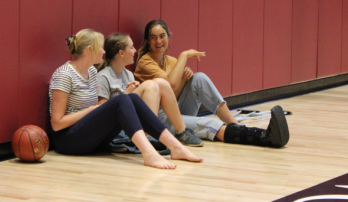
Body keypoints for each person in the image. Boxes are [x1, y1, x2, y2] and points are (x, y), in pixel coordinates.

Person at [48, 28, 203, 169]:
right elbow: (57, 124)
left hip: (89, 136)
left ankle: (176, 147)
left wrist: (98, 108)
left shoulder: (92, 72)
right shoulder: (64, 75)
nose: (103, 51)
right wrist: (91, 110)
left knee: (131, 99)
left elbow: (97, 112)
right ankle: (148, 153)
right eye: (100, 47)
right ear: (90, 50)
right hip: (68, 140)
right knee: (121, 99)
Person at [134, 20, 289, 148]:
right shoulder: (145, 61)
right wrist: (184, 56)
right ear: (148, 41)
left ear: (168, 37)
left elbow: (172, 92)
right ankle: (262, 137)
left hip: (174, 111)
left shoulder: (170, 61)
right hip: (159, 118)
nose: (158, 41)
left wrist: (185, 76)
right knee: (210, 123)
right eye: (153, 37)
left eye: (162, 36)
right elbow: (171, 84)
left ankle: (236, 126)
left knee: (199, 77)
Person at [96, 33, 204, 146]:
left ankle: (181, 131)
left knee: (162, 83)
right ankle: (149, 136)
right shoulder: (103, 76)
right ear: (121, 53)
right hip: (116, 128)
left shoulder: (128, 74)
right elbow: (103, 110)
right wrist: (126, 94)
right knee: (150, 85)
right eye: (131, 47)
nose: (135, 50)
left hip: (130, 120)